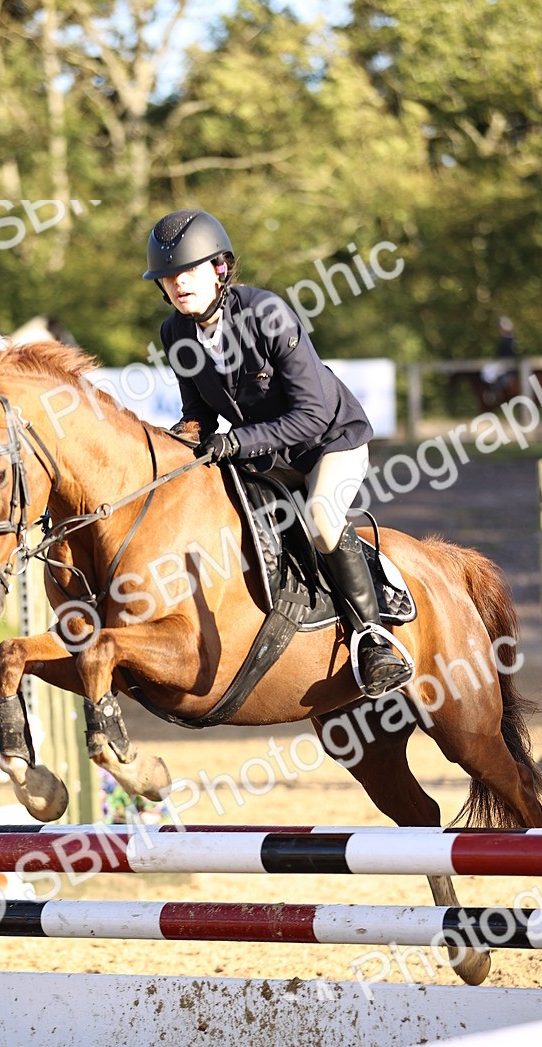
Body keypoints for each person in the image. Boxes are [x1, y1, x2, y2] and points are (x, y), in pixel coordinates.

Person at [143, 208, 412, 698]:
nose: (178, 284)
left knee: (322, 520)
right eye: (168, 277)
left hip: (330, 442)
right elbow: (198, 413)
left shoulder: (267, 314)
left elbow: (310, 416)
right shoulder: (175, 334)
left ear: (219, 269)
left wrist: (237, 442)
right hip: (267, 457)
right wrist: (160, 448)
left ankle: (376, 642)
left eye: (189, 271)